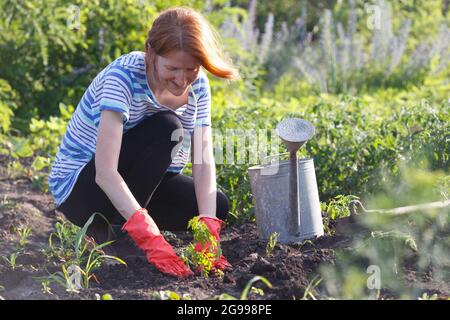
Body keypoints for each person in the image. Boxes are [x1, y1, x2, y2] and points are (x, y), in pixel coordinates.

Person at [48, 7, 239, 277]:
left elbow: (203, 160)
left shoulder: (198, 86)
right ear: (151, 52)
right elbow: (105, 172)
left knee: (216, 205)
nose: (182, 79)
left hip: (142, 184)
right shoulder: (123, 77)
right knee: (166, 128)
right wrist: (148, 236)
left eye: (191, 69)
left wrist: (208, 228)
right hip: (83, 189)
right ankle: (121, 238)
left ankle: (119, 227)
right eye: (172, 68)